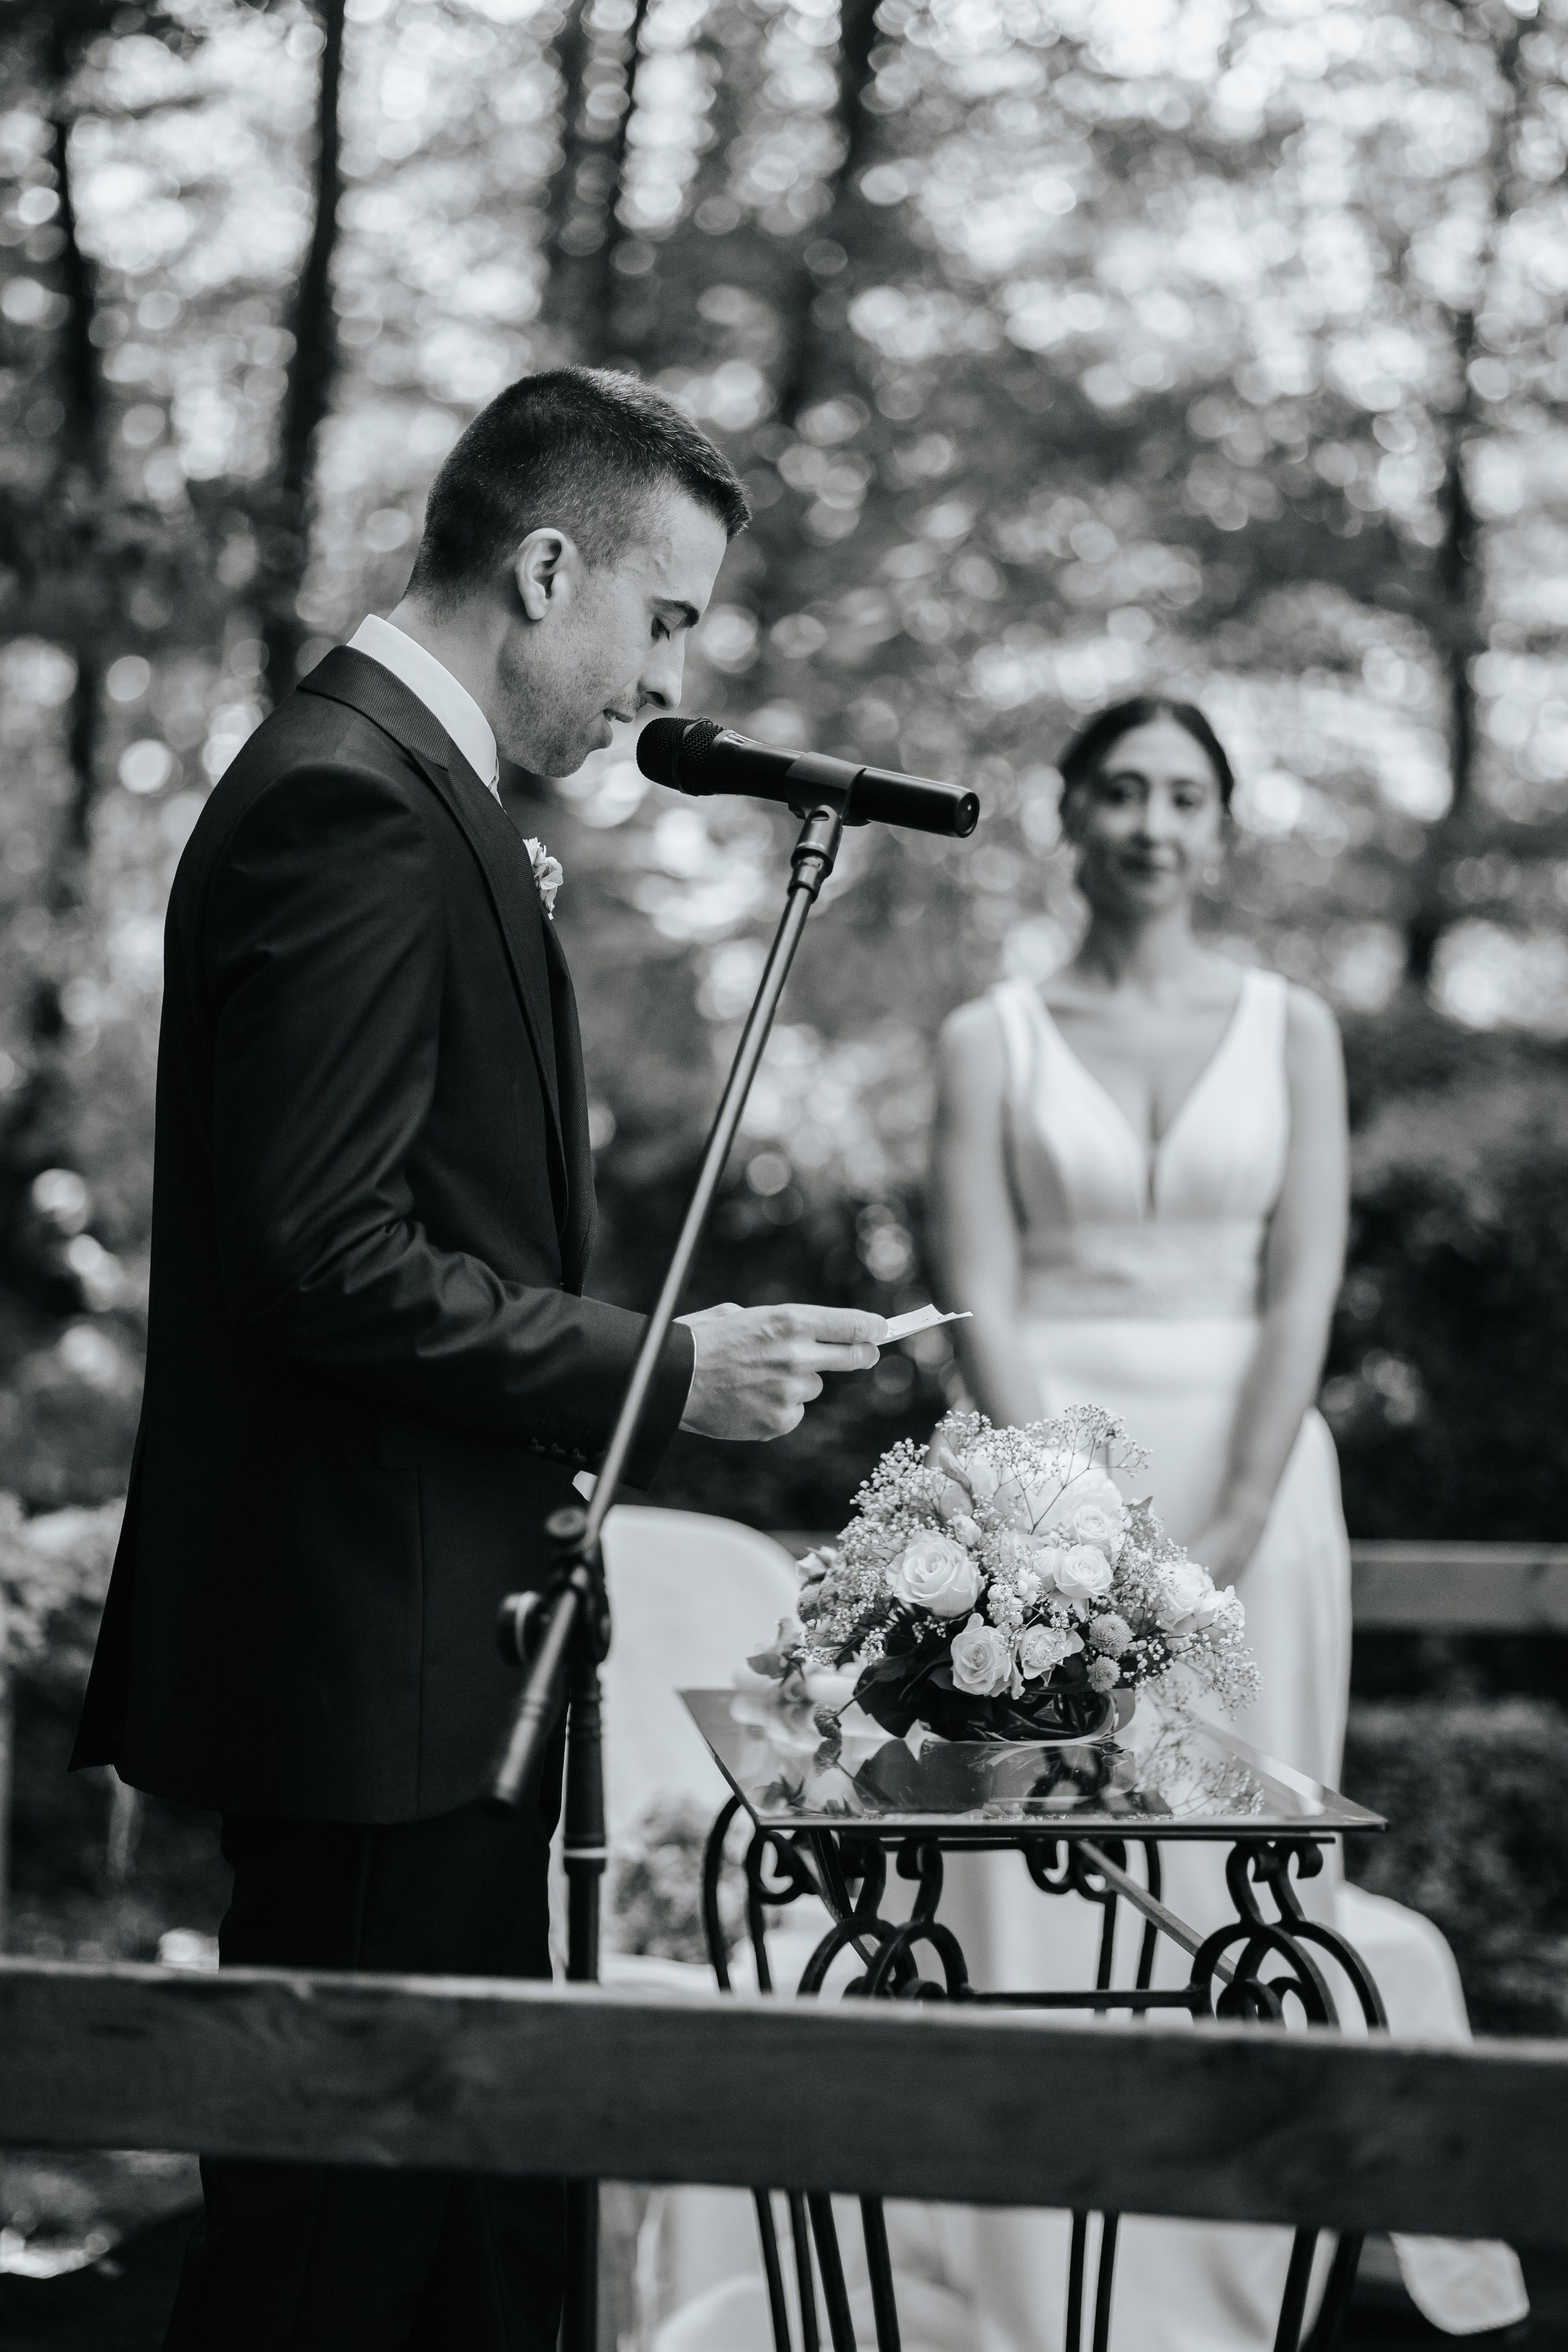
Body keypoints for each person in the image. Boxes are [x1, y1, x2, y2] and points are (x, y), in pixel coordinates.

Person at [70, 366, 886, 2352]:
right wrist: (661, 1373)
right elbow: (326, 1261)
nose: (662, 687)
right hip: (367, 1668)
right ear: (545, 567)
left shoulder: (442, 798)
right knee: (333, 2268)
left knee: (461, 2248)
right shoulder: (351, 800)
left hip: (445, 1654)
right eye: (664, 620)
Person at [924, 695, 1529, 2348]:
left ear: (1223, 824)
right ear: (1070, 815)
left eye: (1186, 795)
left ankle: (1235, 2281)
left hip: (1259, 1490)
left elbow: (1303, 1283)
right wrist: (1068, 1531)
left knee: (1236, 1871)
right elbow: (977, 1285)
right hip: (1036, 1494)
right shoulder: (994, 1037)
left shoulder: (1291, 1029)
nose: (1153, 825)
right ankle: (1040, 2278)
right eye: (1120, 791)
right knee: (1042, 1882)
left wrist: (1243, 1512)